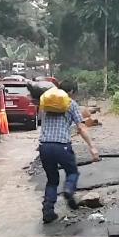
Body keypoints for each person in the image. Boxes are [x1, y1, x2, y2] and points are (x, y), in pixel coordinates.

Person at [38, 79, 100, 224]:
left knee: (52, 180)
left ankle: (48, 212)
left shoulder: (46, 103)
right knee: (72, 172)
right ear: (71, 91)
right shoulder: (71, 104)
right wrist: (92, 146)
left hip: (44, 146)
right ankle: (68, 190)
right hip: (62, 146)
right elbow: (81, 128)